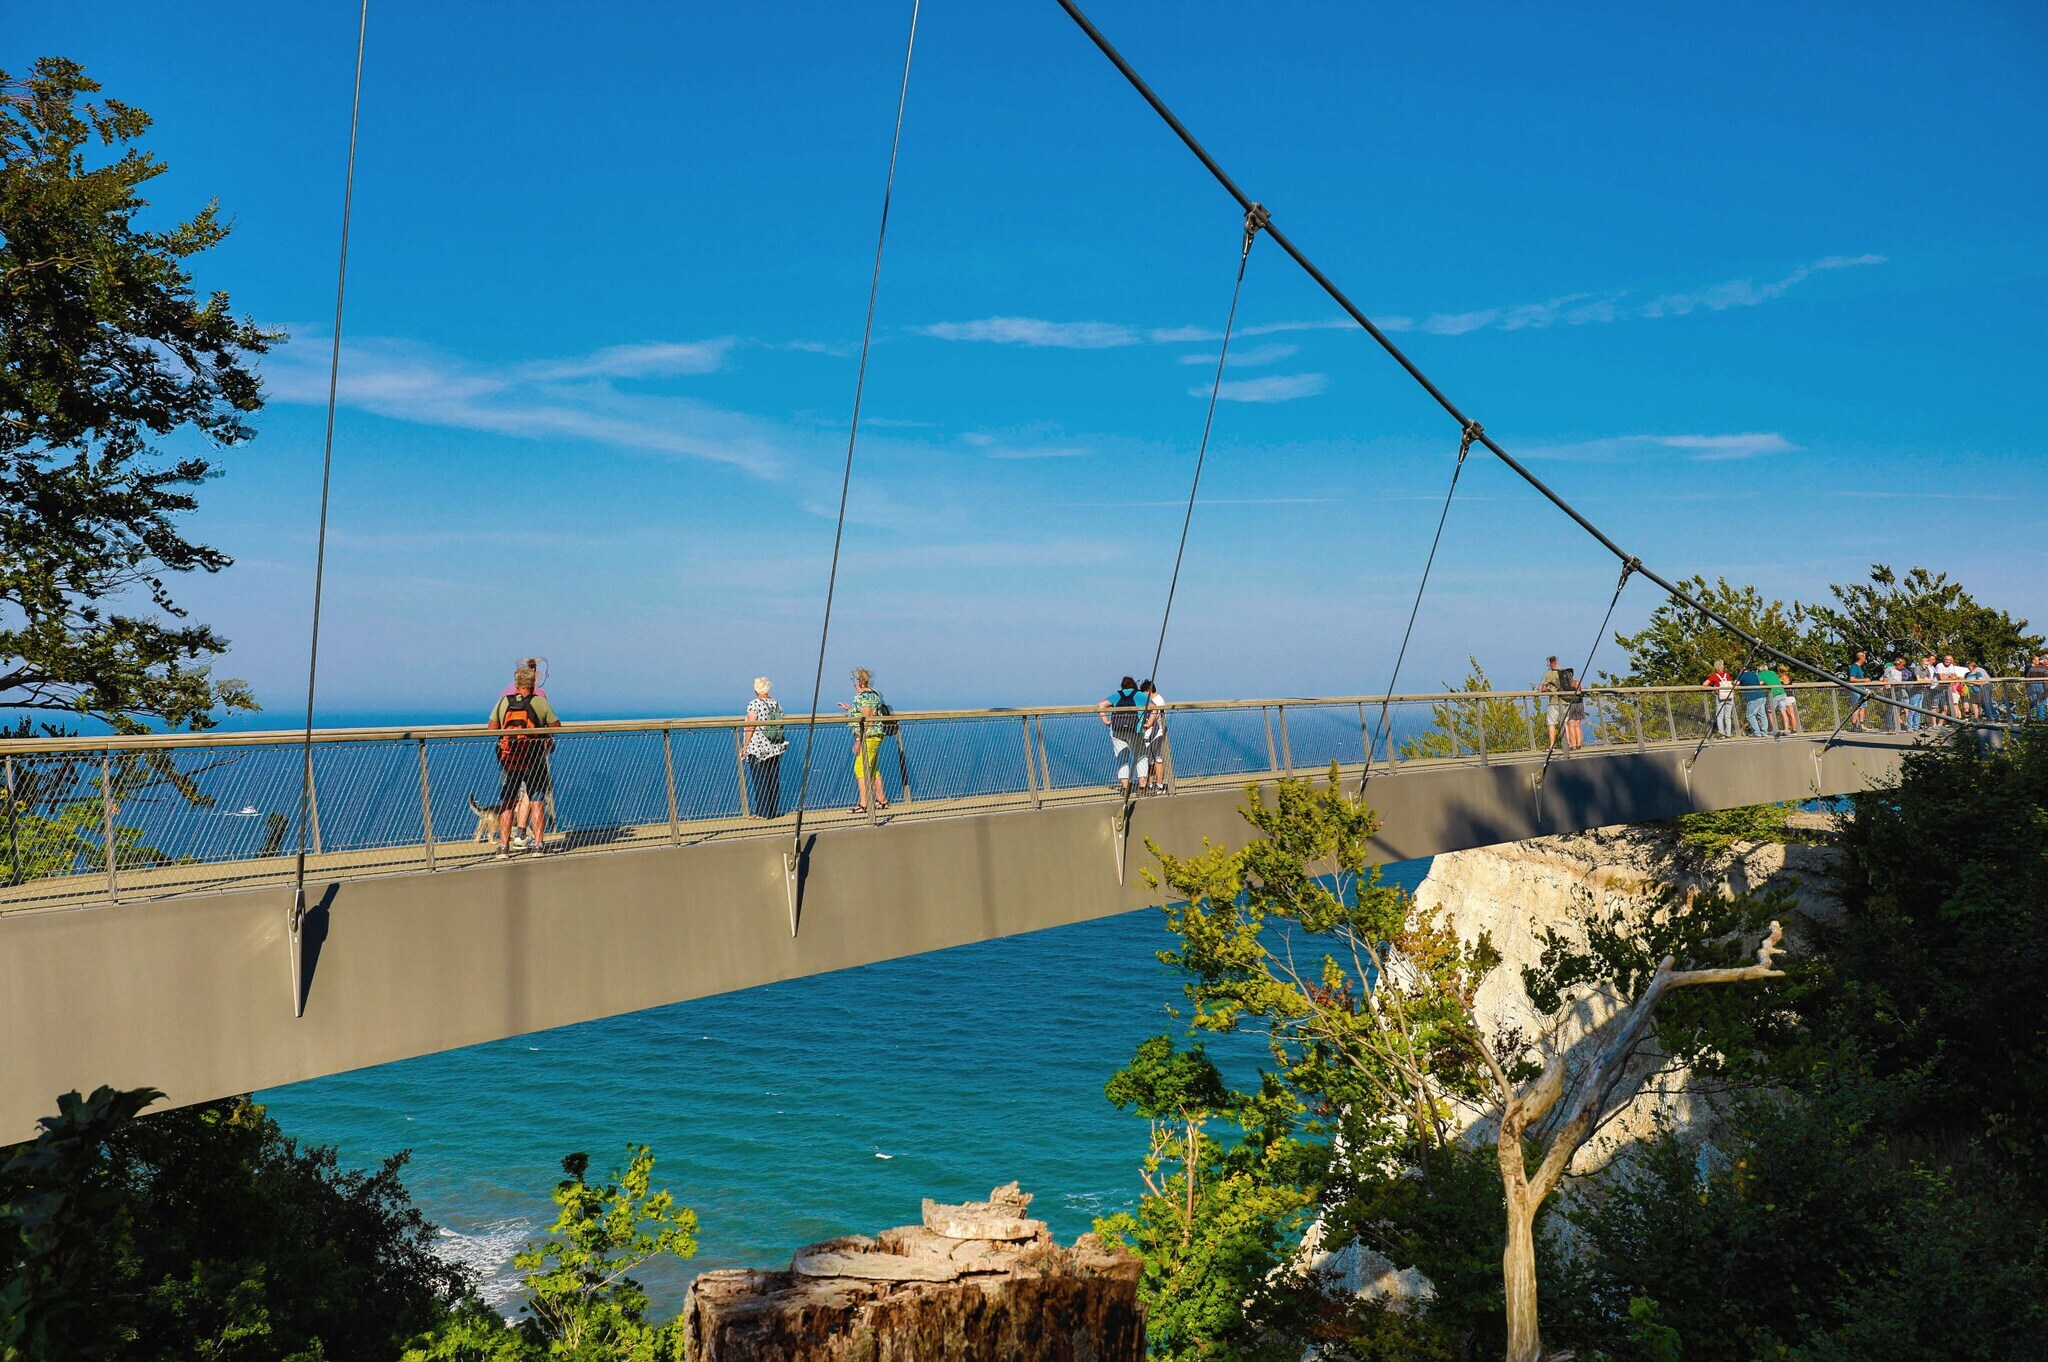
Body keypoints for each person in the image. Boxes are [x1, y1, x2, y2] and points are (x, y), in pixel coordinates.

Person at [488, 663, 561, 857]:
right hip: (534, 759)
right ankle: (538, 846)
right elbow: (556, 725)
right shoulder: (540, 702)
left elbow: (492, 728)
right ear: (533, 683)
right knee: (537, 802)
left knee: (508, 802)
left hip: (509, 759)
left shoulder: (504, 702)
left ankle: (503, 847)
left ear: (516, 683)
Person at [836, 668, 888, 814]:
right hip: (876, 735)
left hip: (868, 737)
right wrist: (850, 709)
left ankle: (864, 803)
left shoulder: (863, 697)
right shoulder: (874, 695)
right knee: (872, 768)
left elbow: (867, 718)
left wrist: (859, 739)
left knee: (861, 769)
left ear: (859, 682)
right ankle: (881, 800)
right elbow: (868, 712)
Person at [739, 676, 788, 819]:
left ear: (756, 689)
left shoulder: (754, 704)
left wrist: (745, 746)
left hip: (758, 747)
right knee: (772, 778)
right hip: (775, 746)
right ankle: (772, 811)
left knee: (760, 779)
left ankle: (762, 812)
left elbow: (750, 726)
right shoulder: (776, 704)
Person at [1098, 675, 1150, 792]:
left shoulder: (1117, 695)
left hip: (1117, 730)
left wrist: (1106, 721)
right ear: (1134, 685)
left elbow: (1101, 705)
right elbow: (1155, 708)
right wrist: (1149, 723)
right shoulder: (1140, 695)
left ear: (1122, 686)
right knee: (1141, 756)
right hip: (1135, 730)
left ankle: (1125, 787)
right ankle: (1142, 786)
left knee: (1122, 757)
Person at [1139, 679, 1168, 792]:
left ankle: (1159, 784)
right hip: (1151, 733)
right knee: (1150, 759)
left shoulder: (1157, 701)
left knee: (1158, 759)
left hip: (1157, 733)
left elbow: (1155, 715)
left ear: (1148, 691)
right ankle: (1150, 783)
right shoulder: (1154, 700)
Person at [1704, 660, 1735, 738]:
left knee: (1720, 716)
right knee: (1728, 716)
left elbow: (1705, 684)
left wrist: (1714, 689)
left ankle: (1721, 733)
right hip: (1729, 697)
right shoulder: (1727, 675)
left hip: (1720, 697)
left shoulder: (1714, 676)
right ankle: (1728, 733)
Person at [1737, 662, 1768, 737]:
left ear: (1740, 670)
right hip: (1761, 696)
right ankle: (1764, 732)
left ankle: (1757, 732)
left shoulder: (1741, 675)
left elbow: (1736, 683)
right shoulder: (1754, 674)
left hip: (1753, 697)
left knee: (1750, 715)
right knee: (1762, 714)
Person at [1559, 667, 1586, 751]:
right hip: (1580, 703)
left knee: (1571, 724)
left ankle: (1573, 745)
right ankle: (1578, 744)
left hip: (1572, 704)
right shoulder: (1577, 682)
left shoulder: (1567, 685)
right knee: (1577, 724)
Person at [1539, 656, 1563, 748]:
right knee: (1565, 722)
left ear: (1550, 664)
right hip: (1565, 700)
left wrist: (1548, 690)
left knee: (1551, 723)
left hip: (1554, 701)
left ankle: (1552, 745)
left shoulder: (1550, 674)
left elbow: (1543, 688)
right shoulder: (1564, 672)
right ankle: (1569, 744)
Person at [1845, 650, 1872, 731]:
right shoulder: (1854, 666)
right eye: (1864, 656)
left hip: (1862, 690)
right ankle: (1853, 725)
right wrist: (1864, 680)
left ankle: (1861, 725)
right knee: (1857, 707)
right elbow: (1852, 679)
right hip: (1856, 690)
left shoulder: (1859, 667)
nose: (1865, 658)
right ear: (1860, 657)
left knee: (1863, 707)